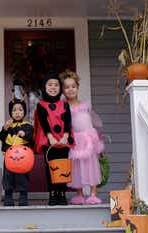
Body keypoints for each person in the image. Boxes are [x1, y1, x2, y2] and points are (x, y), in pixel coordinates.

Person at [61, 70, 104, 205]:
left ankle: (93, 194)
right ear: (63, 90)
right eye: (67, 87)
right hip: (75, 139)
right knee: (77, 166)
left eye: (73, 86)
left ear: (78, 88)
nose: (70, 89)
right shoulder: (64, 107)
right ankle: (79, 194)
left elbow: (91, 122)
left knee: (92, 165)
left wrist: (96, 140)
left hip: (88, 139)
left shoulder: (86, 105)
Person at [33, 71, 75, 205]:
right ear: (45, 87)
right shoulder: (41, 105)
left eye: (56, 85)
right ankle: (52, 193)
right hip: (49, 140)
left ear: (60, 88)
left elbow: (68, 120)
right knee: (51, 167)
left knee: (63, 166)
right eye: (50, 85)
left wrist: (66, 136)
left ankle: (62, 193)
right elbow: (43, 121)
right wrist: (50, 136)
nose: (53, 87)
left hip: (63, 139)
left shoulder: (64, 104)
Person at [0, 98, 33, 206]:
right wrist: (4, 129)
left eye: (20, 110)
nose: (17, 112)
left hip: (23, 157)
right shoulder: (8, 125)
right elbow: (1, 137)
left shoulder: (27, 125)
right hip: (9, 156)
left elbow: (31, 137)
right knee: (8, 175)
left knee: (22, 175)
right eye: (14, 110)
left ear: (24, 112)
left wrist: (25, 134)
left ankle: (23, 195)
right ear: (10, 113)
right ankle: (8, 195)